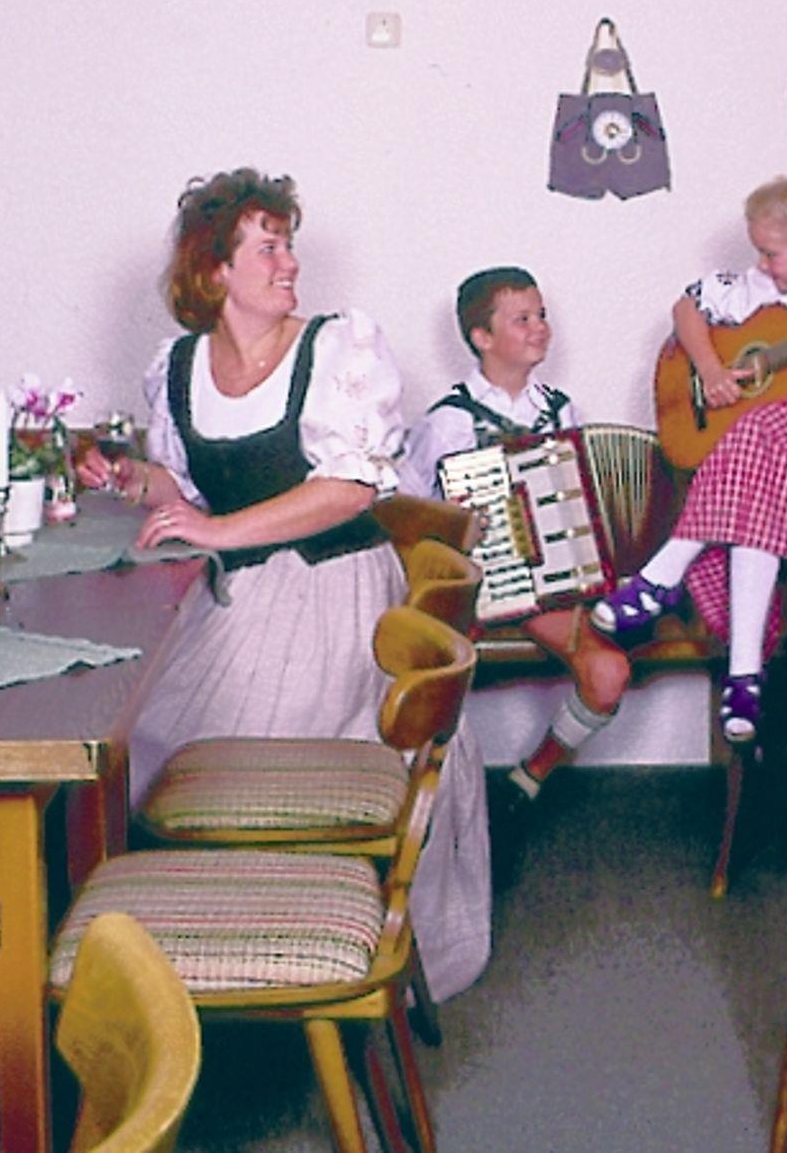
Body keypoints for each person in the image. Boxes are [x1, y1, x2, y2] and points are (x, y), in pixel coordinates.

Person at [77, 168, 491, 1002]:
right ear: (214, 270)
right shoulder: (178, 365)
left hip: (332, 594)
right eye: (267, 248)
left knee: (179, 742)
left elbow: (351, 490)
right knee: (128, 730)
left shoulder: (338, 348)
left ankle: (257, 941)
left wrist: (215, 533)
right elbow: (186, 488)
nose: (290, 262)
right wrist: (132, 480)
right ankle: (185, 952)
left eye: (288, 244)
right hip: (237, 596)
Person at [590, 176, 787, 743]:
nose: (761, 264)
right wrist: (712, 370)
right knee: (756, 476)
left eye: (771, 252)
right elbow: (688, 309)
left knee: (759, 425)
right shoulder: (767, 288)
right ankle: (745, 677)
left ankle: (664, 573)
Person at [399, 268, 628, 828]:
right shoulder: (448, 423)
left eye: (541, 315)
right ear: (482, 337)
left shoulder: (561, 412)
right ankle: (424, 805)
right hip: (472, 589)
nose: (539, 328)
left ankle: (528, 779)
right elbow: (406, 511)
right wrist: (456, 528)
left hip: (548, 589)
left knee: (609, 672)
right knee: (431, 675)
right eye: (522, 319)